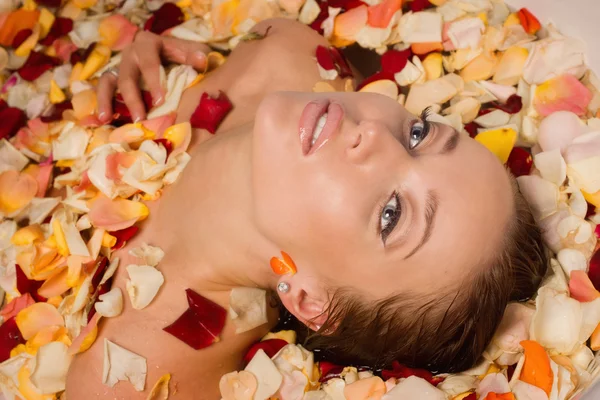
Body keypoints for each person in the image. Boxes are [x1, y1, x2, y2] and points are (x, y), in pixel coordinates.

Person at [65, 18, 549, 399]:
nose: (376, 135)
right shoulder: (291, 51)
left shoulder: (128, 378)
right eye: (418, 135)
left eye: (392, 215)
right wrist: (116, 64)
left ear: (310, 301)